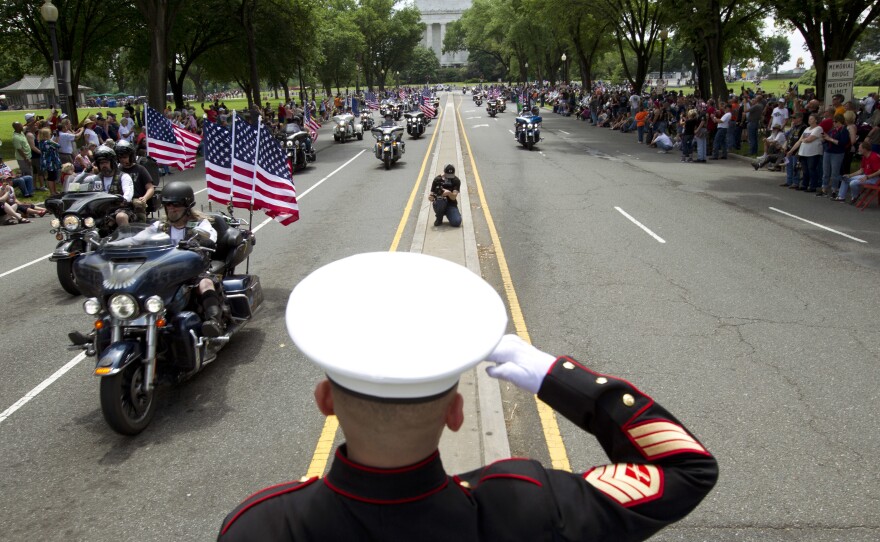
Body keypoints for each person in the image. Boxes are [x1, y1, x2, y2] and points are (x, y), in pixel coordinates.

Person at [217, 252, 718, 541]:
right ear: (456, 414)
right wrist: (554, 376)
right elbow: (686, 470)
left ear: (325, 401)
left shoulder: (259, 527)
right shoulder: (526, 506)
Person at [143, 181, 224, 336]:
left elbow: (209, 236)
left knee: (206, 283)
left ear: (187, 206)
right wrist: (117, 243)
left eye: (176, 204)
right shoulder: (160, 226)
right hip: (164, 273)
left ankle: (214, 321)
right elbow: (139, 238)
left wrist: (201, 240)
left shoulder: (200, 224)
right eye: (168, 205)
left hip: (193, 272)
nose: (171, 208)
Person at [83, 145, 134, 226]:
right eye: (101, 163)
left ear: (112, 163)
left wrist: (123, 199)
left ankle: (125, 237)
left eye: (106, 162)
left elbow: (128, 193)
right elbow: (82, 185)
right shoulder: (94, 179)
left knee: (121, 217)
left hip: (119, 209)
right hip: (99, 210)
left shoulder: (124, 177)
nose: (103, 165)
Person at [115, 140, 155, 222]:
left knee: (138, 204)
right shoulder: (117, 171)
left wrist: (145, 198)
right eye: (120, 158)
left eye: (125, 157)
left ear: (131, 156)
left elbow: (150, 188)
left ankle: (141, 225)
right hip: (121, 200)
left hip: (136, 199)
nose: (122, 160)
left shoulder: (140, 169)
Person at [37, 127, 62, 196]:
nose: (51, 135)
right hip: (51, 161)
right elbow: (58, 145)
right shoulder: (48, 142)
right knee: (51, 177)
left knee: (52, 176)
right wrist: (56, 137)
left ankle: (54, 191)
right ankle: (52, 192)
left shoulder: (41, 142)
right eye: (50, 134)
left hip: (46, 161)